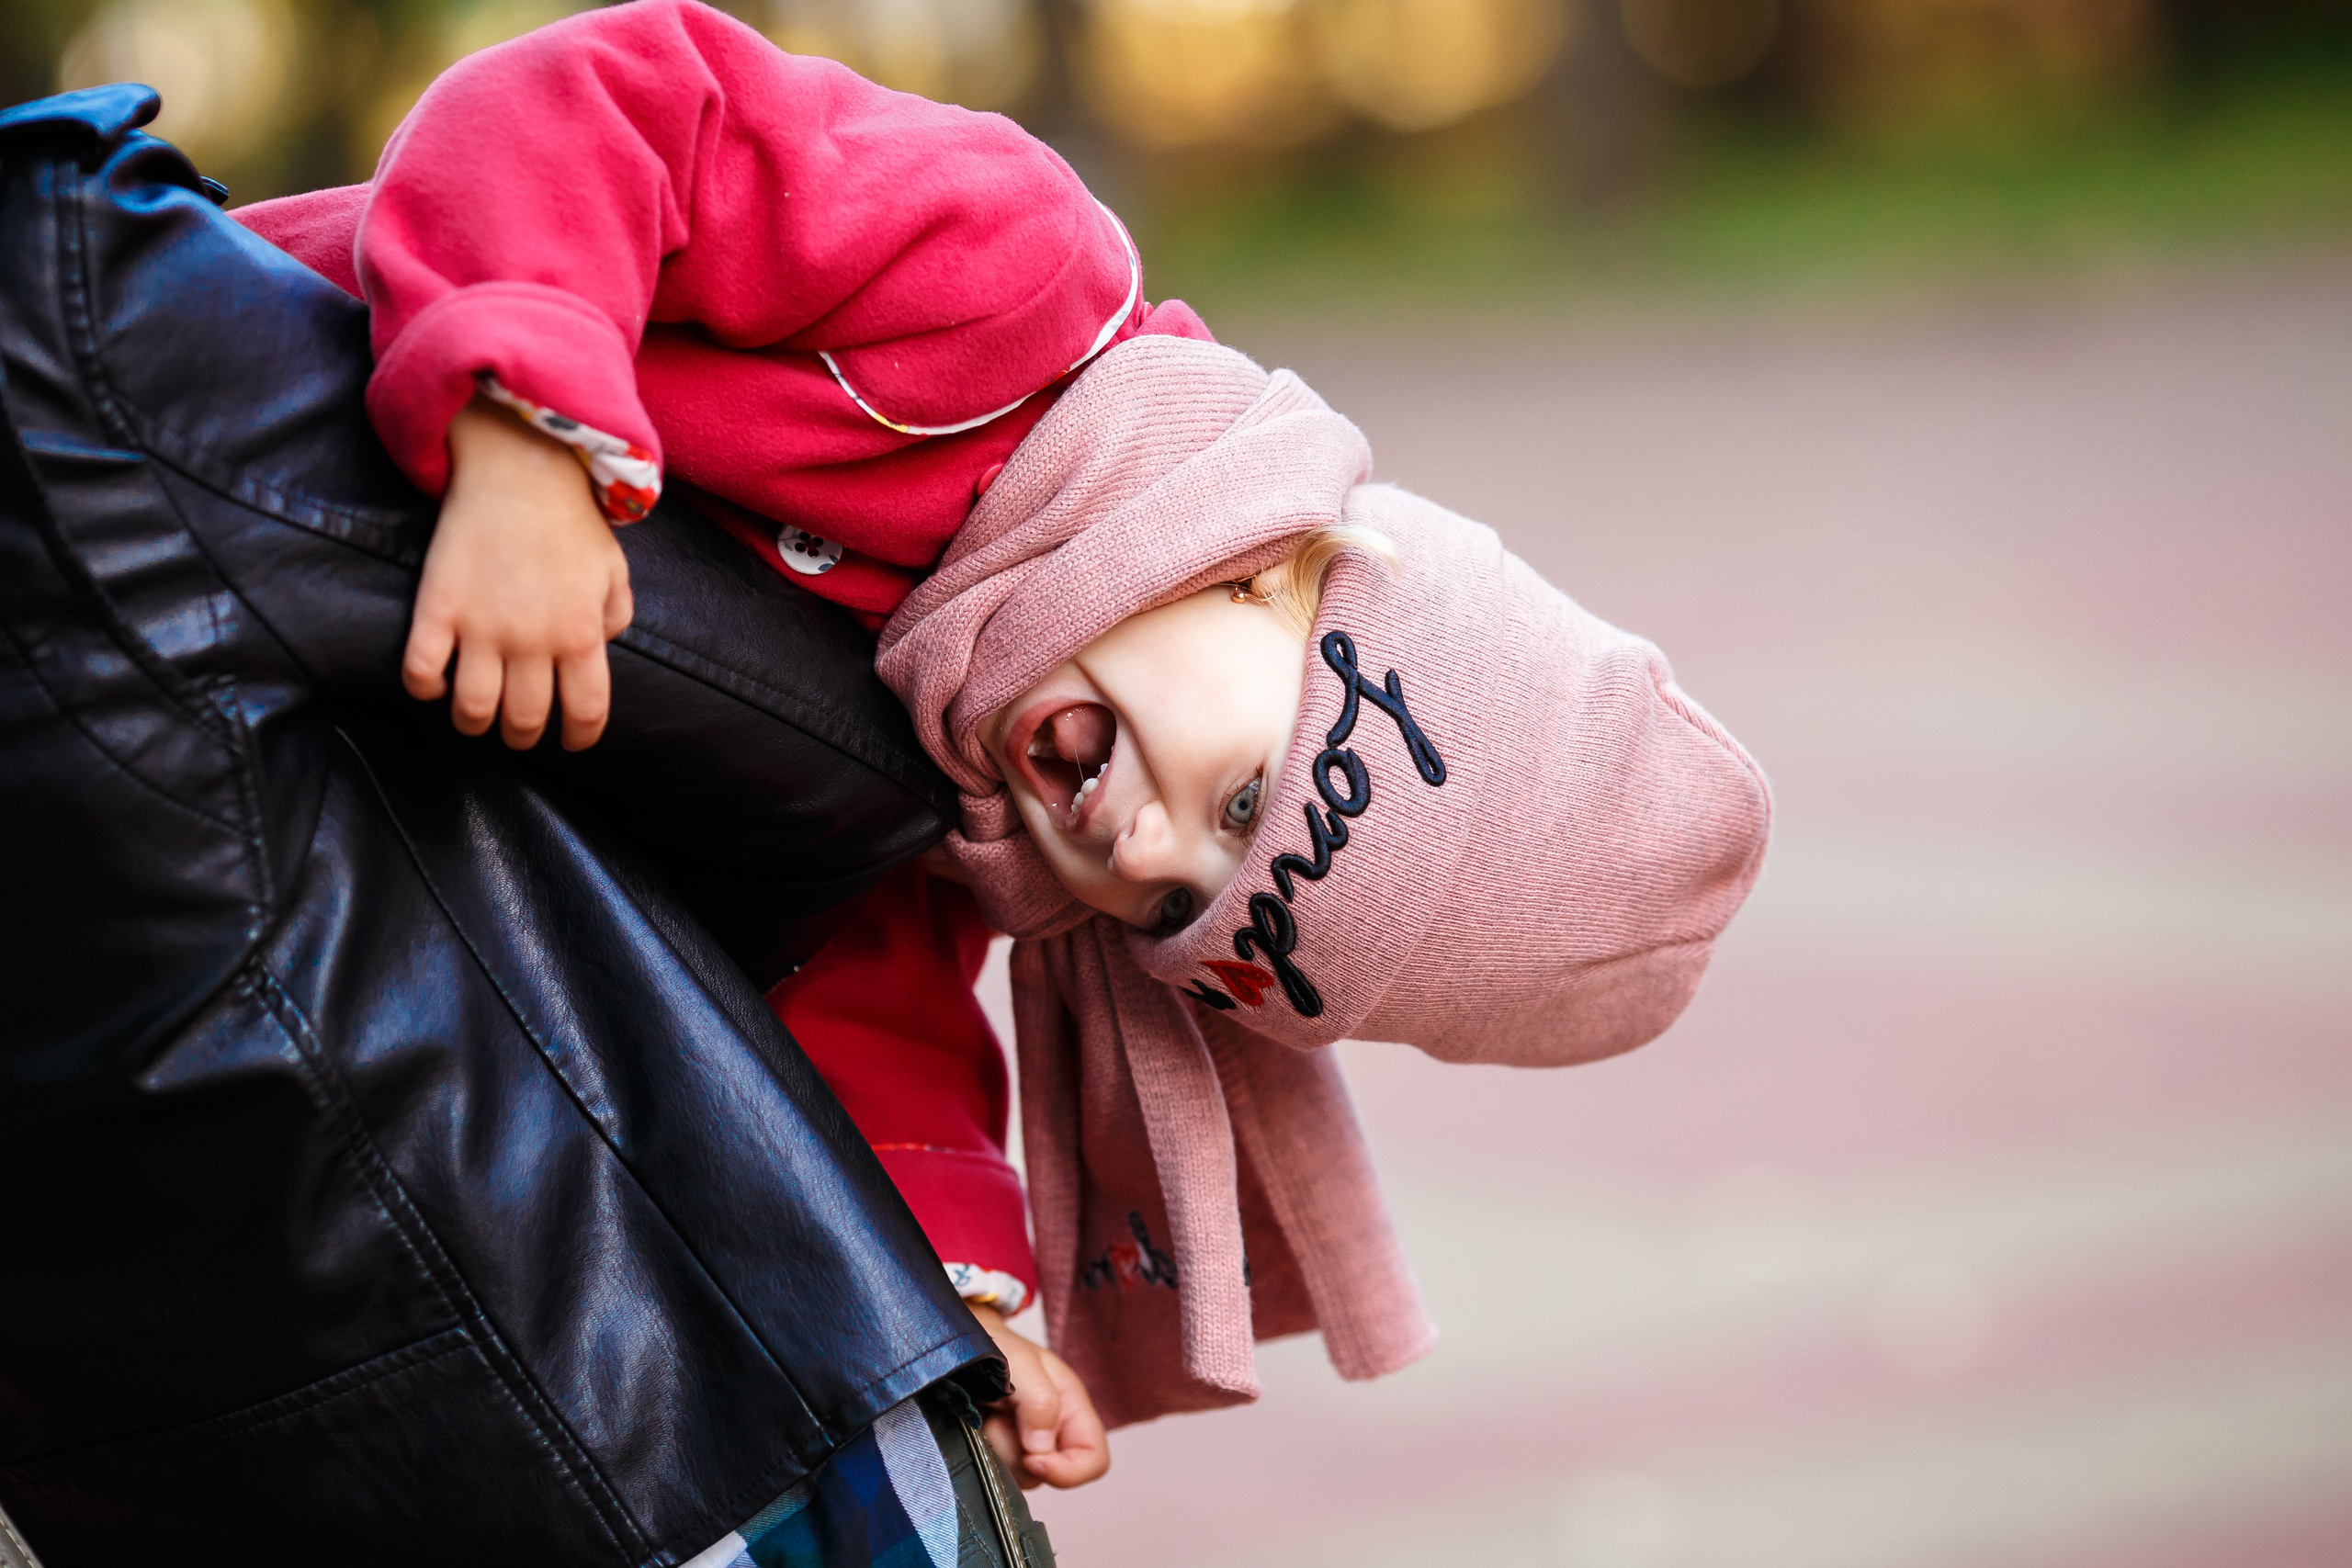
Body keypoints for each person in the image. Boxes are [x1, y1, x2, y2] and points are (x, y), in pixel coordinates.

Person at [237, 0, 1771, 1494]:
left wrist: (942, 1303)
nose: (1146, 850)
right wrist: (523, 434)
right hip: (213, 430)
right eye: (1247, 799)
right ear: (1277, 569)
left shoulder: (946, 784)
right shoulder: (1007, 285)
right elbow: (604, 101)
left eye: (1179, 912)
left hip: (259, 749)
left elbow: (857, 1016)